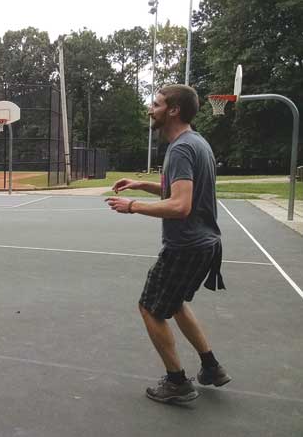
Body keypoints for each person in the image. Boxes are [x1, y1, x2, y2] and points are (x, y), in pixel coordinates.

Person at [106, 84, 230, 404]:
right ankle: (211, 367)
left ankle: (176, 382)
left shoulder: (179, 148)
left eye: (157, 103)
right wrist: (142, 184)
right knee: (173, 303)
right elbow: (176, 188)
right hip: (207, 244)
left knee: (149, 307)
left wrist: (132, 206)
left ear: (173, 110)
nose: (151, 108)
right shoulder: (197, 142)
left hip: (186, 246)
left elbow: (180, 206)